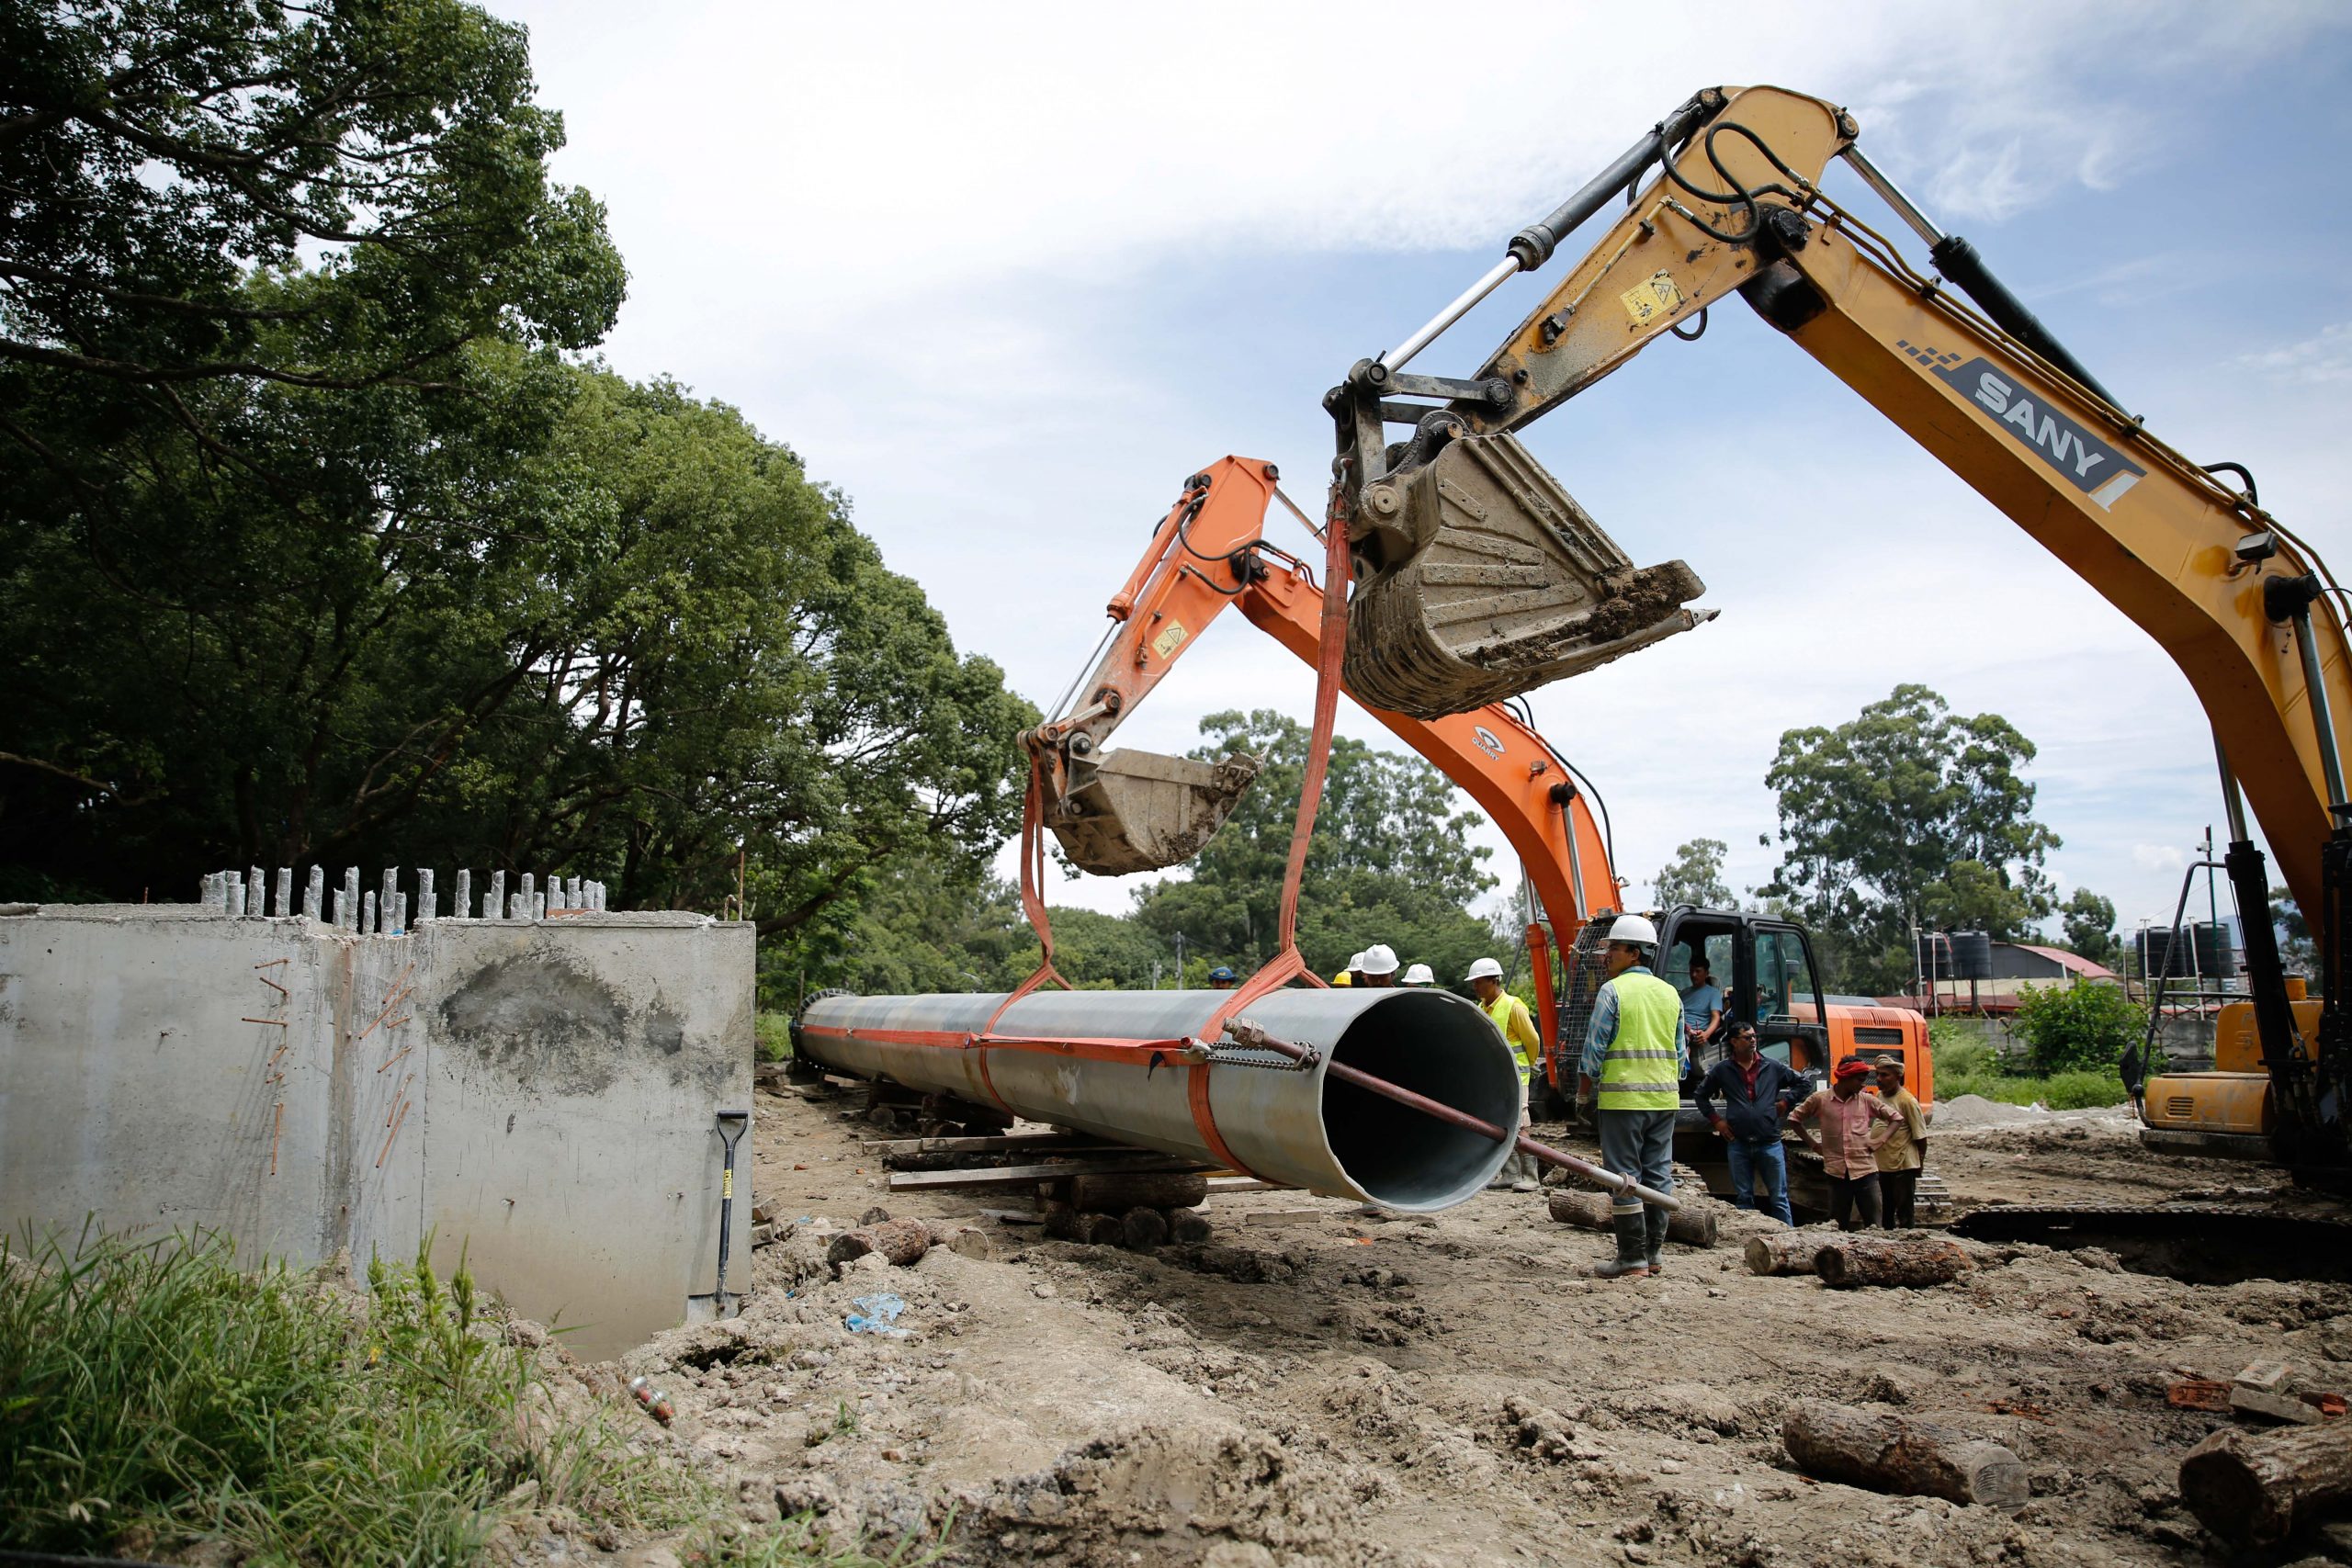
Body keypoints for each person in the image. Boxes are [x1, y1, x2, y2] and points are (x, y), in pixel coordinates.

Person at [1575, 916, 1685, 1278]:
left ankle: (1631, 1257)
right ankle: (1654, 1255)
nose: (1606, 956)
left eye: (1614, 948)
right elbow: (1681, 1057)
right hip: (1665, 1101)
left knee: (1624, 1176)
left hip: (1623, 1100)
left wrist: (1583, 1093)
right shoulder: (1671, 994)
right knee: (1659, 1174)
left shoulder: (1613, 991)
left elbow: (1594, 1050)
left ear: (1635, 954)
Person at [1690, 1021, 1801, 1226]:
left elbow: (1803, 1083)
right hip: (1738, 1143)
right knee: (1744, 1198)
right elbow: (1700, 1095)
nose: (1753, 1041)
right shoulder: (1723, 1070)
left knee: (1779, 1198)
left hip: (1769, 1142)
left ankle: (1789, 1238)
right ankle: (1746, 1238)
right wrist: (1717, 1122)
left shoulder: (1772, 1067)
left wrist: (1786, 1102)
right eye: (1747, 1037)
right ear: (1734, 1042)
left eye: (1754, 1037)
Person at [1791, 1055, 1903, 1231]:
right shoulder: (1820, 1100)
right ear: (1846, 1078)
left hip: (1865, 1172)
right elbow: (1794, 1118)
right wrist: (1813, 1144)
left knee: (1874, 1225)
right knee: (1837, 1225)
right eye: (1860, 1080)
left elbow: (1896, 1118)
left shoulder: (1866, 1100)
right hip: (1837, 1174)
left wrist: (1881, 1140)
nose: (1863, 1085)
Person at [1467, 956, 1544, 1191]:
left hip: (1517, 1077)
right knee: (1500, 1125)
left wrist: (1529, 1064)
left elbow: (1532, 1040)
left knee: (1521, 1125)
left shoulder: (1514, 1006)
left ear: (1493, 980)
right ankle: (1511, 1173)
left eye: (1479, 982)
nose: (1475, 987)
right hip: (1494, 1080)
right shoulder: (1481, 1009)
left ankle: (1531, 1176)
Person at [1869, 1058, 1929, 1228]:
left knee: (1904, 1210)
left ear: (1897, 1076)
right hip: (1885, 1164)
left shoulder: (1907, 1101)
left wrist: (1920, 1163)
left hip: (1902, 1164)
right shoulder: (1880, 1096)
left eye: (1884, 1075)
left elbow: (1920, 1135)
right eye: (1877, 1074)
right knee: (1887, 1208)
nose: (1879, 1079)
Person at [1679, 955, 1723, 1054]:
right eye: (1691, 971)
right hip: (1679, 1028)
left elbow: (1716, 1018)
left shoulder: (1713, 993)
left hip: (1695, 1034)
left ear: (1706, 973)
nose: (1694, 975)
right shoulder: (1684, 993)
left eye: (1698, 971)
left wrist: (1706, 1034)